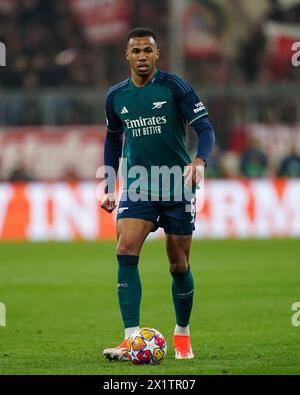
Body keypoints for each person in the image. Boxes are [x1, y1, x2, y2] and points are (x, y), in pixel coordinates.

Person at [101, 27, 215, 361]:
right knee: (124, 248)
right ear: (127, 56)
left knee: (178, 265)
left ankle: (182, 334)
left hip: (177, 183)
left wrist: (199, 159)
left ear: (157, 54)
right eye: (135, 51)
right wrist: (110, 184)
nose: (141, 57)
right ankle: (131, 337)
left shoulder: (174, 87)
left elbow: (205, 127)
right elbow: (112, 139)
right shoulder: (116, 96)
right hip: (138, 184)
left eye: (147, 51)